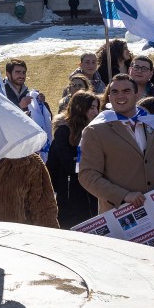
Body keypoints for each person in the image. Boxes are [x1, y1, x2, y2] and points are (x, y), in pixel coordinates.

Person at [78, 74, 154, 213]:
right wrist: (123, 195)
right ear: (109, 97)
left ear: (137, 95)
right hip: (122, 214)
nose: (120, 96)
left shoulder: (153, 123)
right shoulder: (95, 130)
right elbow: (87, 175)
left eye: (126, 91)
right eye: (115, 92)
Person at [47, 91, 100, 229]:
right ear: (79, 108)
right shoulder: (63, 132)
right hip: (71, 194)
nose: (96, 111)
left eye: (96, 107)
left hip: (94, 191)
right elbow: (66, 164)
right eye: (92, 107)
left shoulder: (97, 130)